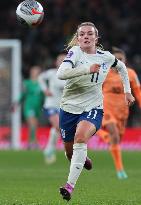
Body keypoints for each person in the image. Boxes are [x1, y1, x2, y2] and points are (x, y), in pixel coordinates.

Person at [56, 22, 135, 201]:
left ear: (96, 38)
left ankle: (69, 187)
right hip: (68, 108)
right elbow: (61, 74)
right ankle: (82, 159)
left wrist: (127, 91)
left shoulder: (106, 57)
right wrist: (86, 69)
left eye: (89, 34)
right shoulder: (75, 53)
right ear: (77, 38)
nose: (85, 36)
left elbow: (121, 67)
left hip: (93, 108)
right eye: (82, 34)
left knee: (81, 137)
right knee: (70, 153)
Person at [97, 47, 141, 179]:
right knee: (114, 134)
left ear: (125, 61)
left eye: (120, 59)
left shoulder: (131, 74)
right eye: (115, 60)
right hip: (107, 107)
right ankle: (120, 170)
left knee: (116, 139)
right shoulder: (104, 72)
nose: (117, 62)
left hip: (122, 110)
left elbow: (137, 92)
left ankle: (101, 133)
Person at [38, 52, 66, 163]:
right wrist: (45, 90)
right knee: (58, 125)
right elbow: (40, 77)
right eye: (60, 60)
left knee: (57, 128)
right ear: (56, 62)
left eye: (64, 60)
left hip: (63, 106)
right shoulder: (51, 73)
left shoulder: (71, 76)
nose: (62, 62)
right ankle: (50, 148)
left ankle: (49, 148)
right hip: (50, 105)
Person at [12, 66, 44, 148]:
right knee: (32, 123)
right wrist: (16, 103)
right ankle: (35, 142)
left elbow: (43, 96)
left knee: (34, 125)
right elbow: (22, 94)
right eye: (35, 71)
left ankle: (29, 143)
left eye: (38, 71)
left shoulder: (42, 84)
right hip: (29, 106)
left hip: (38, 107)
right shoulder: (27, 83)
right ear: (31, 73)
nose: (36, 73)